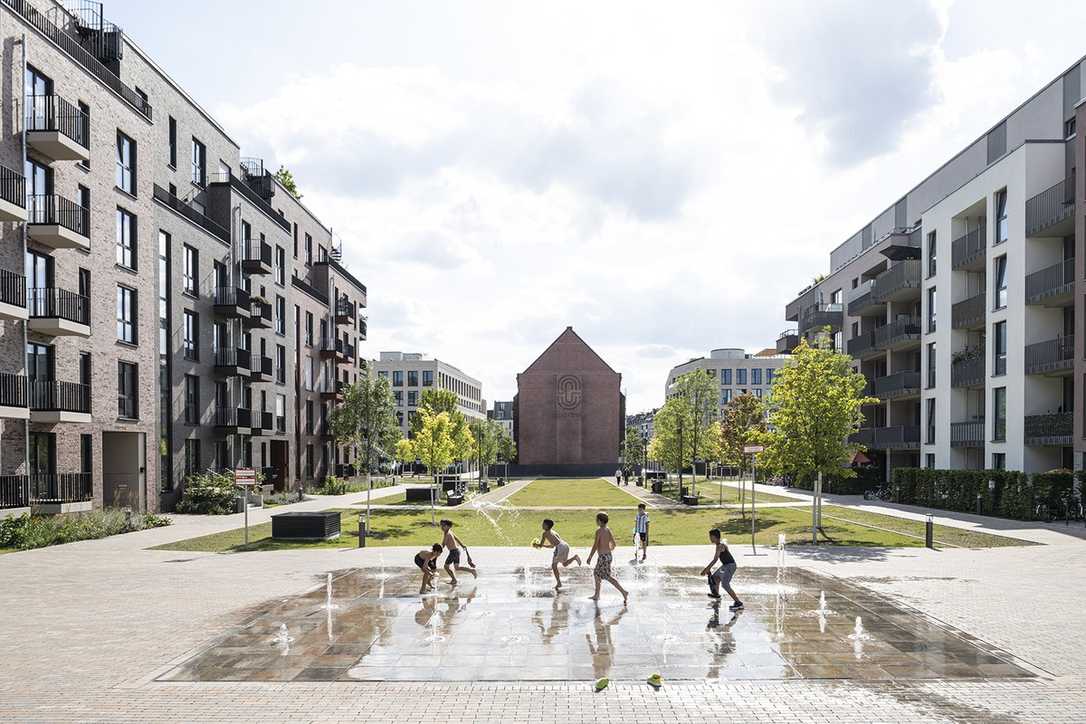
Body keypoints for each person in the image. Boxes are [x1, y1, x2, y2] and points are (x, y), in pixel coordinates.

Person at [586, 512, 629, 605]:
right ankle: (597, 594)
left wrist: (590, 557)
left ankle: (623, 592)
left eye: (596, 520)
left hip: (603, 557)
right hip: (608, 556)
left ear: (600, 521)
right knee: (597, 574)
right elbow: (614, 544)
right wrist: (608, 550)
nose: (596, 521)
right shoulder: (607, 529)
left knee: (606, 576)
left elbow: (595, 546)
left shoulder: (599, 531)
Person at [533, 518, 582, 589]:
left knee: (554, 565)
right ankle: (575, 557)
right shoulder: (553, 532)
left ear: (547, 526)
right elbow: (552, 546)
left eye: (543, 524)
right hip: (565, 545)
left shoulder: (545, 533)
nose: (542, 525)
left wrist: (535, 544)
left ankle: (559, 583)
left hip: (560, 547)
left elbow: (540, 545)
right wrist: (542, 545)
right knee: (564, 564)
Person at [701, 528, 742, 610]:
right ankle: (716, 594)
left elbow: (715, 559)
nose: (710, 538)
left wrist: (706, 570)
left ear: (715, 537)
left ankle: (738, 602)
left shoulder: (720, 546)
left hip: (730, 566)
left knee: (725, 585)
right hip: (725, 565)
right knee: (715, 577)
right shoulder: (720, 544)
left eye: (711, 537)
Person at [439, 519, 477, 584]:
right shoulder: (450, 532)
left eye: (443, 525)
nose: (442, 527)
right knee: (457, 567)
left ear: (448, 526)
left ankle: (454, 579)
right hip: (456, 551)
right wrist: (462, 545)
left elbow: (443, 544)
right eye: (441, 525)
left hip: (453, 552)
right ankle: (471, 570)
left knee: (446, 566)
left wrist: (437, 551)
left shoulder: (447, 533)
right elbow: (456, 538)